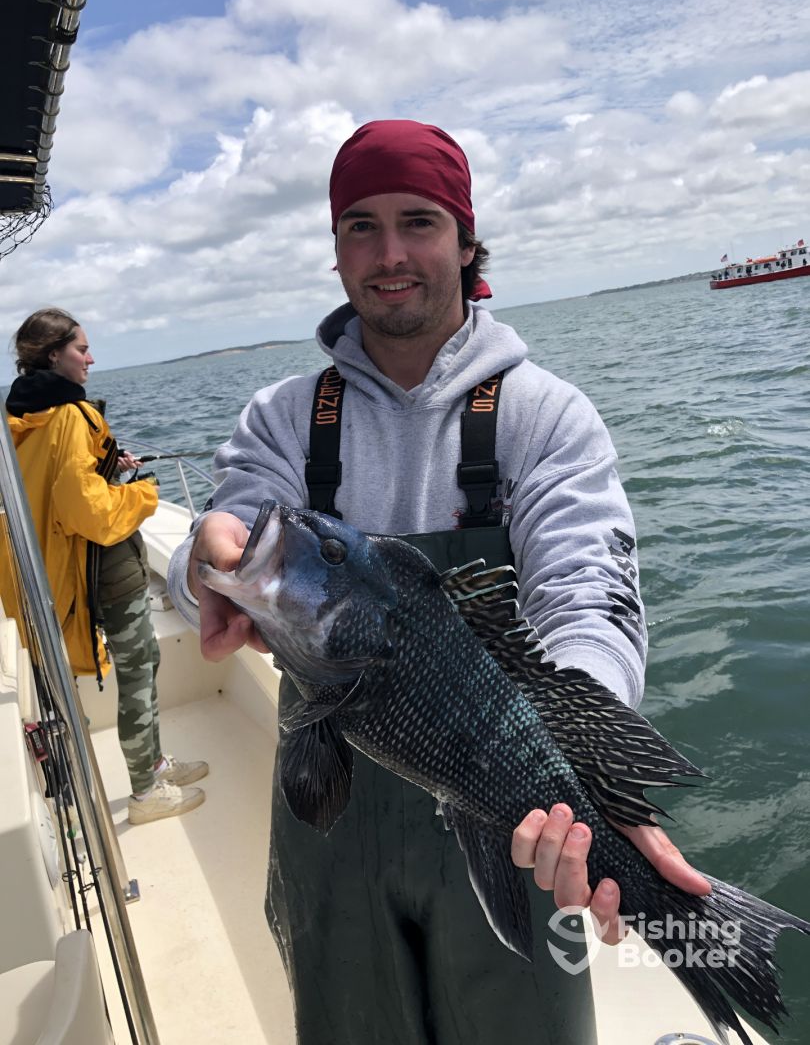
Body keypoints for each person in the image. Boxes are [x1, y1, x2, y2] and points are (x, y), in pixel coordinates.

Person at [167, 120, 710, 1044]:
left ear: (465, 241)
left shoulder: (546, 416)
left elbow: (585, 590)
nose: (390, 254)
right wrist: (203, 562)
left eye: (417, 221)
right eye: (361, 226)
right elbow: (229, 531)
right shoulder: (283, 417)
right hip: (331, 825)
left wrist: (586, 775)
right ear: (337, 250)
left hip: (511, 827)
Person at [2, 308, 208, 825]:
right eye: (82, 349)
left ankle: (153, 764)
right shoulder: (73, 414)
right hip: (104, 567)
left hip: (52, 566)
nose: (91, 359)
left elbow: (53, 480)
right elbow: (87, 512)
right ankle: (146, 790)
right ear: (55, 355)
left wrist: (107, 466)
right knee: (138, 668)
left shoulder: (21, 415)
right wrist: (143, 494)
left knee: (133, 665)